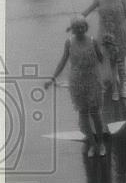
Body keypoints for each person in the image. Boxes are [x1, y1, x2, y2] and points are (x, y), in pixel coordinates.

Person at [44, 16, 107, 157]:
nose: (79, 29)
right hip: (77, 81)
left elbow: (102, 59)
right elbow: (63, 61)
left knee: (95, 113)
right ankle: (92, 144)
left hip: (93, 79)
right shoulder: (69, 43)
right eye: (76, 27)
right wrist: (52, 78)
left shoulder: (93, 41)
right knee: (83, 113)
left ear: (86, 27)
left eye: (81, 26)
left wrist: (110, 50)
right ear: (72, 29)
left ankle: (101, 143)